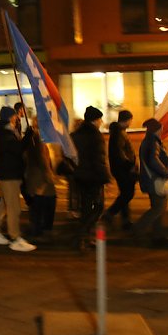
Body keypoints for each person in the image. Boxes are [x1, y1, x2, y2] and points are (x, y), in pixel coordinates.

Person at [0, 106, 36, 252]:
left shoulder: (6, 132)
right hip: (9, 176)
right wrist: (28, 137)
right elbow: (17, 149)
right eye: (14, 116)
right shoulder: (4, 134)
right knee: (14, 207)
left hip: (9, 174)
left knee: (4, 204)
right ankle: (15, 237)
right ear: (9, 117)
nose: (17, 117)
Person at [70, 106, 112, 250]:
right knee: (98, 207)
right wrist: (106, 178)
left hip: (80, 176)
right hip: (94, 177)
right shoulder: (95, 136)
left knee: (86, 208)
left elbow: (70, 155)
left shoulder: (75, 134)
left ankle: (85, 238)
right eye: (100, 119)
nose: (101, 122)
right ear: (95, 120)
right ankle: (81, 236)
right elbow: (99, 159)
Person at [132, 118, 168, 245]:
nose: (162, 130)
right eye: (161, 128)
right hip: (155, 180)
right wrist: (165, 173)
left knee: (159, 208)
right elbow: (153, 160)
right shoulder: (153, 142)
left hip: (152, 179)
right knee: (158, 208)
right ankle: (138, 229)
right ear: (156, 129)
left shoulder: (151, 141)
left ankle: (157, 235)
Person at [102, 110, 137, 230]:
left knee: (124, 194)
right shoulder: (119, 133)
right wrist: (129, 165)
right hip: (122, 169)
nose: (131, 122)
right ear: (127, 120)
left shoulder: (119, 131)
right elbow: (119, 153)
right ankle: (110, 213)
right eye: (131, 120)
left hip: (121, 168)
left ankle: (125, 220)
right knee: (128, 194)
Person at [24, 121, 56, 240]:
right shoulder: (39, 139)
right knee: (42, 204)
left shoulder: (37, 138)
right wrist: (48, 175)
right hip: (40, 177)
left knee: (40, 204)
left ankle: (38, 228)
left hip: (37, 176)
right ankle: (39, 230)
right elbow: (42, 159)